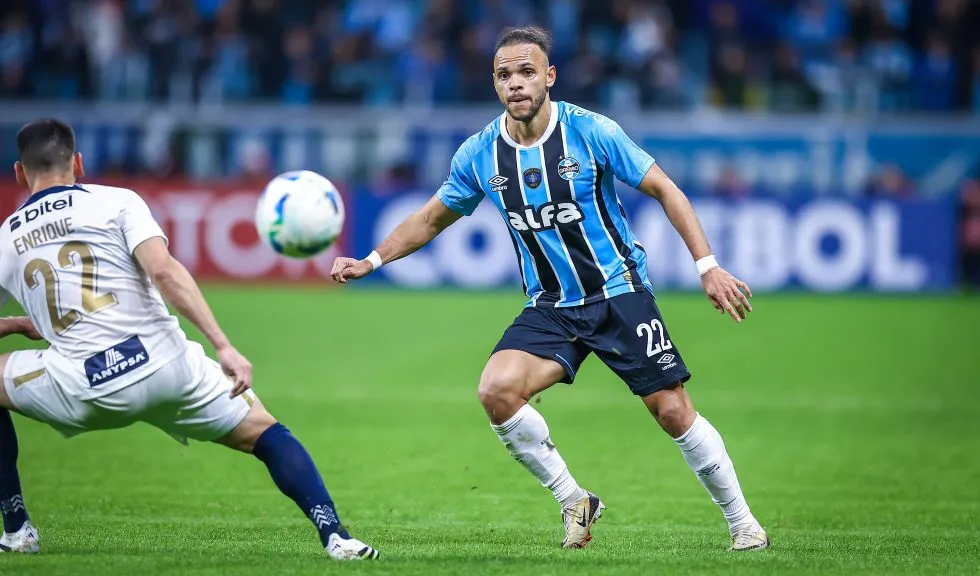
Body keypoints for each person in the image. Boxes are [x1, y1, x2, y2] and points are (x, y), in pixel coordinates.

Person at [330, 26, 769, 551]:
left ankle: (744, 524)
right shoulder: (481, 154)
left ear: (549, 77)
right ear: (495, 84)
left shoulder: (591, 132)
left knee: (672, 410)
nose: (515, 83)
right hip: (550, 306)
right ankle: (573, 499)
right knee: (496, 390)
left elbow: (664, 188)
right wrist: (373, 260)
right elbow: (429, 219)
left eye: (526, 71)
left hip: (617, 293)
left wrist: (708, 265)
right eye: (504, 74)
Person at [0, 119, 379, 561]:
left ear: (19, 173)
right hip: (166, 367)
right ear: (78, 163)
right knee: (267, 433)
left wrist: (13, 324)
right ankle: (336, 536)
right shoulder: (117, 202)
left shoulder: (7, 239)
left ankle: (17, 528)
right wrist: (223, 345)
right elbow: (164, 272)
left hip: (80, 385)